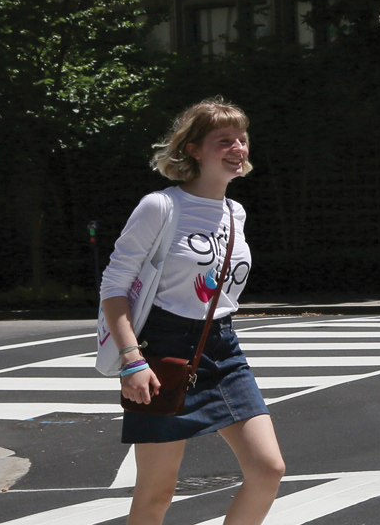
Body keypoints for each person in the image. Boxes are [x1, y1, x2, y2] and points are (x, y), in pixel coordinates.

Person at [100, 98, 284, 524]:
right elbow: (114, 287)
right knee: (157, 493)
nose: (238, 148)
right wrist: (132, 360)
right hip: (163, 348)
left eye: (242, 139)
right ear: (194, 149)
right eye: (224, 141)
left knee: (268, 469)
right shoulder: (160, 207)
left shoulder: (235, 212)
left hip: (223, 346)